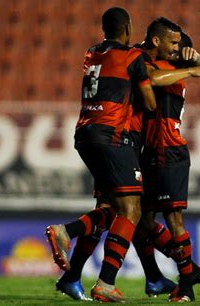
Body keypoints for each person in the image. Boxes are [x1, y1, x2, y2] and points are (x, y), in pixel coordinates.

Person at [45, 7, 156, 303]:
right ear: (128, 28)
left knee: (108, 206)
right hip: (112, 136)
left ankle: (71, 277)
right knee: (131, 209)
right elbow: (150, 102)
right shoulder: (133, 57)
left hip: (85, 133)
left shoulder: (92, 53)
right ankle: (103, 280)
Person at [137, 28, 200, 302]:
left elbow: (154, 77)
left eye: (178, 46)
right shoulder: (162, 65)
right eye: (172, 44)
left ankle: (187, 288)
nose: (173, 48)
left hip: (170, 152)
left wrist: (195, 62)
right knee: (140, 222)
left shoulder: (171, 74)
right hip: (150, 153)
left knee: (174, 219)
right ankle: (188, 270)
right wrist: (195, 63)